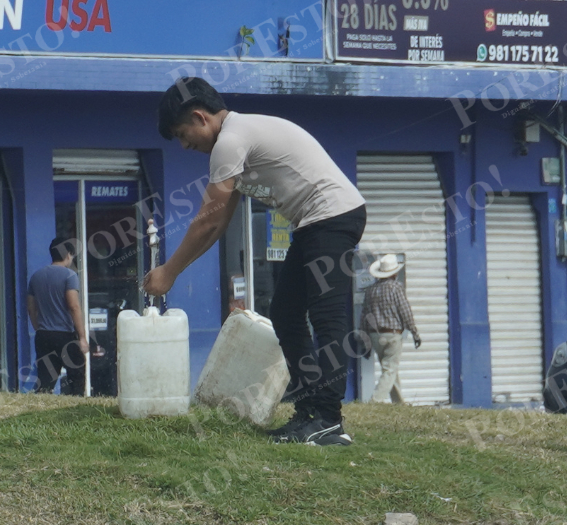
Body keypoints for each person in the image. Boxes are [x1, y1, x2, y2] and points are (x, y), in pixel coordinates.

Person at [143, 77, 367, 447]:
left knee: (327, 318)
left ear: (201, 117)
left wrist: (169, 272)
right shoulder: (236, 140)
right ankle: (311, 413)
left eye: (184, 134)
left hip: (332, 217)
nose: (185, 145)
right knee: (286, 312)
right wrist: (174, 270)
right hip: (317, 222)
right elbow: (219, 223)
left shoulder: (230, 140)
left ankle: (328, 420)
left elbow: (209, 220)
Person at [28, 237, 90, 395]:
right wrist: (82, 337)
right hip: (65, 336)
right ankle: (76, 409)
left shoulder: (36, 276)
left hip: (43, 336)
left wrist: (38, 328)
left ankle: (42, 411)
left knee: (45, 380)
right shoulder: (69, 276)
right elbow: (74, 306)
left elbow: (31, 307)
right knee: (77, 375)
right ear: (68, 255)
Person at [362, 254, 420, 404]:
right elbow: (405, 311)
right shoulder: (396, 288)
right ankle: (375, 401)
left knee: (389, 369)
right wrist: (414, 332)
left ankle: (399, 403)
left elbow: (364, 316)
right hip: (392, 334)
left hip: (375, 335)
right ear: (394, 273)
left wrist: (366, 342)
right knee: (390, 370)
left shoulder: (370, 290)